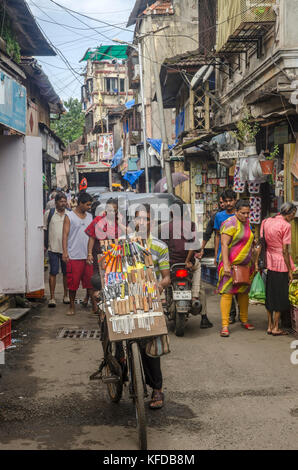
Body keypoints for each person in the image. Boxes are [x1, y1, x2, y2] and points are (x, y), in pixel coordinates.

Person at [135, 204, 171, 410]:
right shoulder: (123, 243)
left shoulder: (159, 246)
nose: (143, 222)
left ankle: (157, 388)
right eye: (139, 218)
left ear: (152, 222)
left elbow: (166, 277)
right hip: (128, 300)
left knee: (151, 347)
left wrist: (159, 284)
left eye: (147, 219)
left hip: (150, 301)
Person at [161, 200, 213, 328]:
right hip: (187, 263)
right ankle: (195, 297)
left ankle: (161, 296)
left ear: (171, 212)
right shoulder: (191, 225)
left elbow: (163, 247)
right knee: (198, 268)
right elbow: (193, 246)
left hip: (171, 263)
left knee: (159, 270)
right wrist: (187, 261)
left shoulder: (165, 227)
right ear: (184, 212)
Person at [217, 199, 256, 338]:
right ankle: (225, 325)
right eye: (243, 213)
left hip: (245, 266)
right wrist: (226, 264)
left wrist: (254, 262)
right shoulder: (229, 223)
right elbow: (224, 244)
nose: (246, 216)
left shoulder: (247, 223)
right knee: (227, 292)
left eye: (248, 213)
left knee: (243, 292)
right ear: (236, 211)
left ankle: (244, 320)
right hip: (231, 265)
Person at [259, 202, 297, 336]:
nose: (294, 217)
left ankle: (269, 326)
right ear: (290, 213)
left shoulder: (266, 221)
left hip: (268, 262)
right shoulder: (286, 225)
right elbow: (285, 251)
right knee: (280, 296)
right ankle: (276, 327)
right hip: (280, 263)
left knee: (270, 295)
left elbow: (262, 241)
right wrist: (290, 271)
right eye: (293, 214)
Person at [62, 192, 98, 316]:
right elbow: (65, 235)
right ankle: (72, 306)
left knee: (90, 283)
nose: (89, 207)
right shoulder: (69, 216)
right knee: (73, 284)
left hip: (88, 255)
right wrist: (65, 252)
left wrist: (91, 253)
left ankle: (94, 305)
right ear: (80, 203)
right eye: (87, 205)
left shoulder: (90, 216)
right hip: (74, 255)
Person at [214, 189, 238, 324]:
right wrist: (216, 255)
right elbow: (217, 235)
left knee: (240, 284)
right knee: (226, 287)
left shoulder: (240, 214)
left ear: (235, 200)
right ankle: (231, 314)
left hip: (239, 255)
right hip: (223, 256)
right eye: (226, 201)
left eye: (231, 200)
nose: (229, 203)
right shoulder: (219, 216)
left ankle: (242, 313)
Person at [44, 192, 70, 307]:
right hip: (53, 248)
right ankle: (52, 297)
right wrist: (44, 245)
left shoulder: (69, 214)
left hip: (66, 249)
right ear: (56, 203)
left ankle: (66, 295)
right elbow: (45, 229)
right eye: (61, 201)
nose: (63, 203)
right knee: (53, 272)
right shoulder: (49, 214)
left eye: (64, 201)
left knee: (66, 273)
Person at [197, 193, 226, 260]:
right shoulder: (216, 216)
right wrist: (202, 249)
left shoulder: (236, 215)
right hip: (220, 250)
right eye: (221, 202)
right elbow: (207, 234)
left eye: (224, 202)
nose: (222, 204)